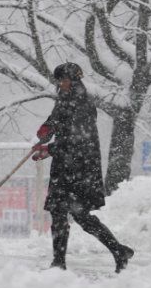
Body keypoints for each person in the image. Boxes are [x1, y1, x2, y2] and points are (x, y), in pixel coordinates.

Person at [32, 62, 134, 273]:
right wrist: (47, 129)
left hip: (80, 168)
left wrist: (49, 150)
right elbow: (57, 121)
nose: (60, 83)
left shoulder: (82, 103)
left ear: (73, 79)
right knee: (61, 213)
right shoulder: (65, 100)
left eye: (63, 79)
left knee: (80, 216)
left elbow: (77, 141)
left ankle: (117, 251)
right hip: (66, 168)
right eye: (58, 80)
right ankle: (60, 262)